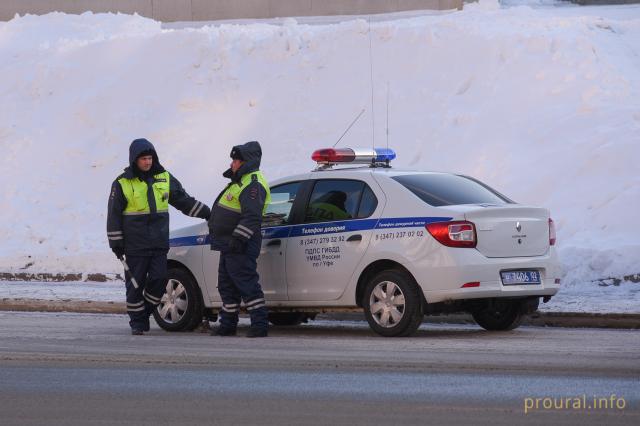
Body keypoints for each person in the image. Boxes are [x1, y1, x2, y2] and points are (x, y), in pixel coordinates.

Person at [107, 138, 210, 335]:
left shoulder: (164, 177)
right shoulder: (121, 183)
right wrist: (116, 243)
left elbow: (183, 200)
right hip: (135, 245)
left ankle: (145, 310)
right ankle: (137, 322)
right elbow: (113, 215)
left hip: (158, 242)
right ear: (134, 160)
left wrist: (206, 212)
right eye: (143, 159)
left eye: (150, 158)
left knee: (160, 280)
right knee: (135, 285)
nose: (147, 162)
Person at [208, 141, 271, 338]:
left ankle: (259, 325)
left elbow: (252, 216)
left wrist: (238, 238)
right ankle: (228, 325)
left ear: (246, 162)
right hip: (229, 244)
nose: (232, 164)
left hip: (241, 244)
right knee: (227, 286)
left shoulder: (253, 184)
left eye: (236, 160)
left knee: (247, 284)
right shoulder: (240, 181)